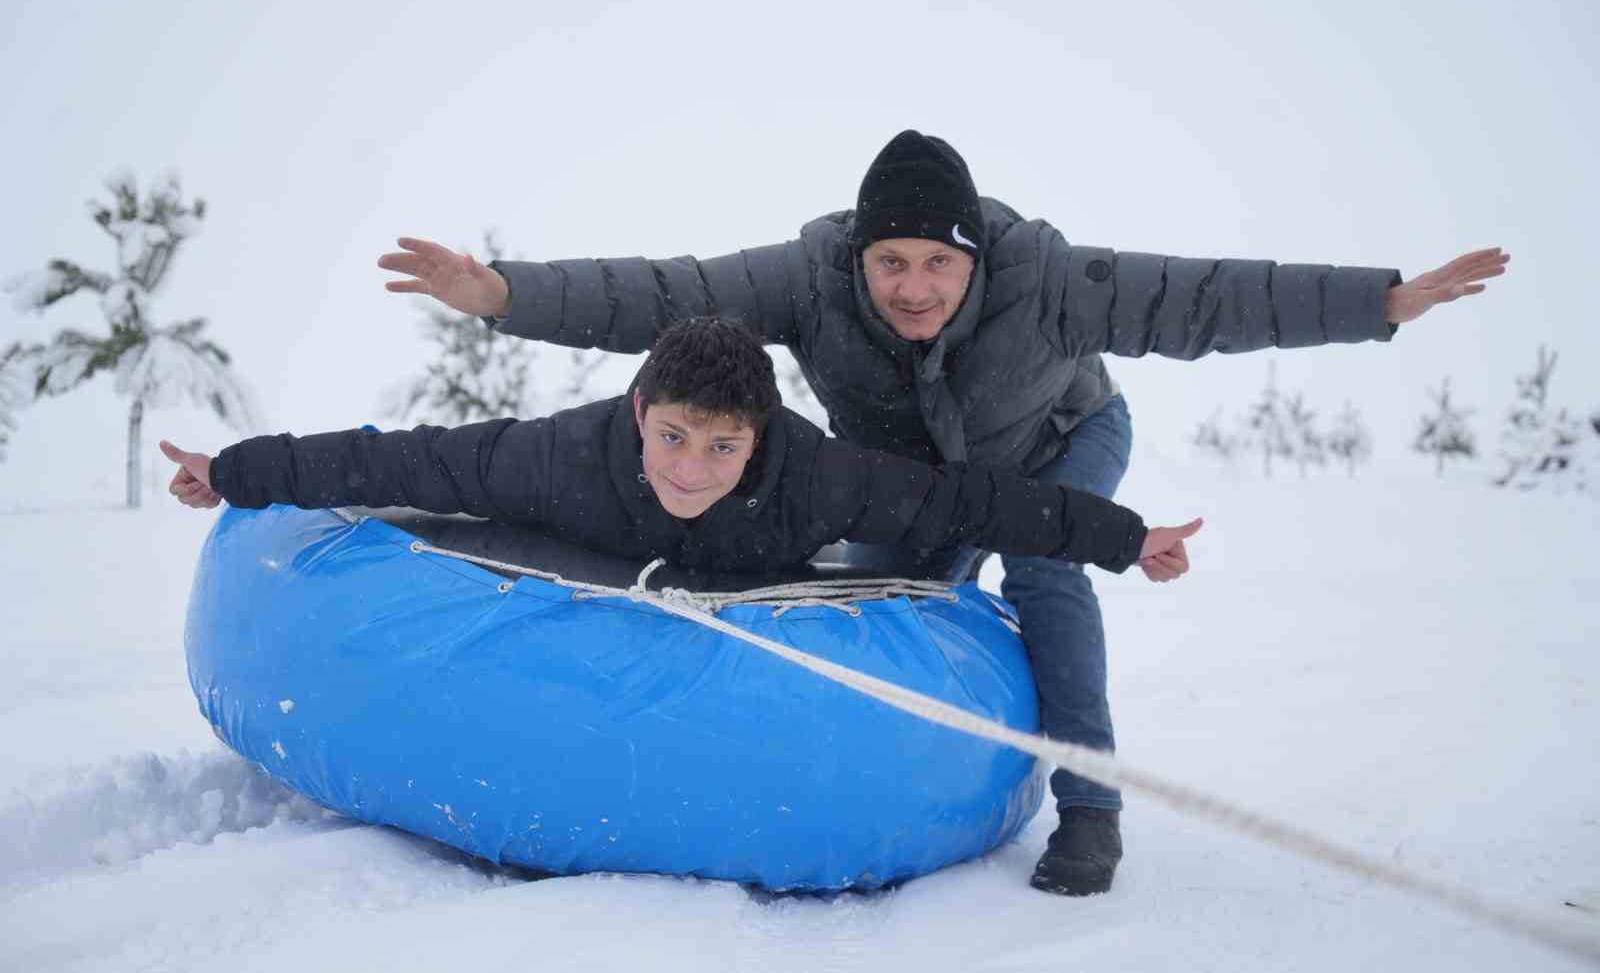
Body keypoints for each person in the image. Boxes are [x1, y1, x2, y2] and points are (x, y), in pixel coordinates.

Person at [375, 131, 1508, 896]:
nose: (912, 286)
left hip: (1057, 440)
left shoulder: (1050, 280)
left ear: (974, 256)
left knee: (1043, 566)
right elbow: (663, 293)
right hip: (903, 467)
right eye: (890, 262)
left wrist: (1382, 302)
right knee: (880, 582)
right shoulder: (807, 275)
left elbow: (1205, 297)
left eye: (937, 264)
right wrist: (504, 297)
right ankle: (892, 772)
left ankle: (1088, 803)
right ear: (856, 255)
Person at [163, 317, 1203, 587]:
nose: (693, 467)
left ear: (760, 436)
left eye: (722, 445)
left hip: (774, 568)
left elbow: (972, 505)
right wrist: (237, 470)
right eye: (673, 437)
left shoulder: (819, 476)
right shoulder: (554, 456)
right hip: (595, 551)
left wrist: (1125, 536)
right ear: (635, 411)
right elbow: (406, 461)